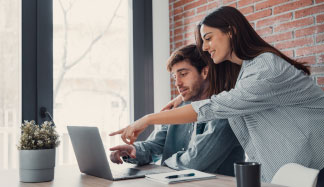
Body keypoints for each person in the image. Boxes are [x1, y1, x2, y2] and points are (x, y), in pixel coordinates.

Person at [110, 6, 324, 182]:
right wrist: (182, 97)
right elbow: (226, 94)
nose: (205, 47)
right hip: (289, 173)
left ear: (231, 31)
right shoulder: (247, 71)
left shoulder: (266, 68)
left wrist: (148, 119)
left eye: (209, 38)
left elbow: (216, 106)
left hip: (314, 170)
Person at [109, 44, 244, 176]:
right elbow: (157, 144)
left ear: (204, 72)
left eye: (183, 74)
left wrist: (161, 165)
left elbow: (194, 163)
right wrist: (134, 150)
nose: (177, 83)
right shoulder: (179, 107)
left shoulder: (224, 111)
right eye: (175, 77)